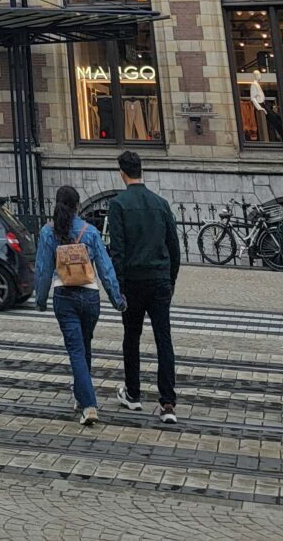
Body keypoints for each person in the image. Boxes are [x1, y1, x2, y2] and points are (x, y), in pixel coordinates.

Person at [34, 184, 125, 427]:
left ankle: (88, 404)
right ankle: (80, 394)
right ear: (77, 206)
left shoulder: (48, 232)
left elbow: (43, 271)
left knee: (75, 350)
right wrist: (117, 299)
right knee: (84, 347)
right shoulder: (91, 232)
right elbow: (105, 269)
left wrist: (40, 299)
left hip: (64, 296)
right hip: (90, 296)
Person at [107, 149, 182, 425]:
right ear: (142, 171)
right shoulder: (161, 203)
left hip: (134, 282)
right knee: (164, 339)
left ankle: (134, 393)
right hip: (160, 279)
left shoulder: (118, 204)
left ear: (122, 173)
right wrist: (170, 279)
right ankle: (168, 403)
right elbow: (174, 247)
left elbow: (118, 250)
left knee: (132, 338)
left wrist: (119, 287)